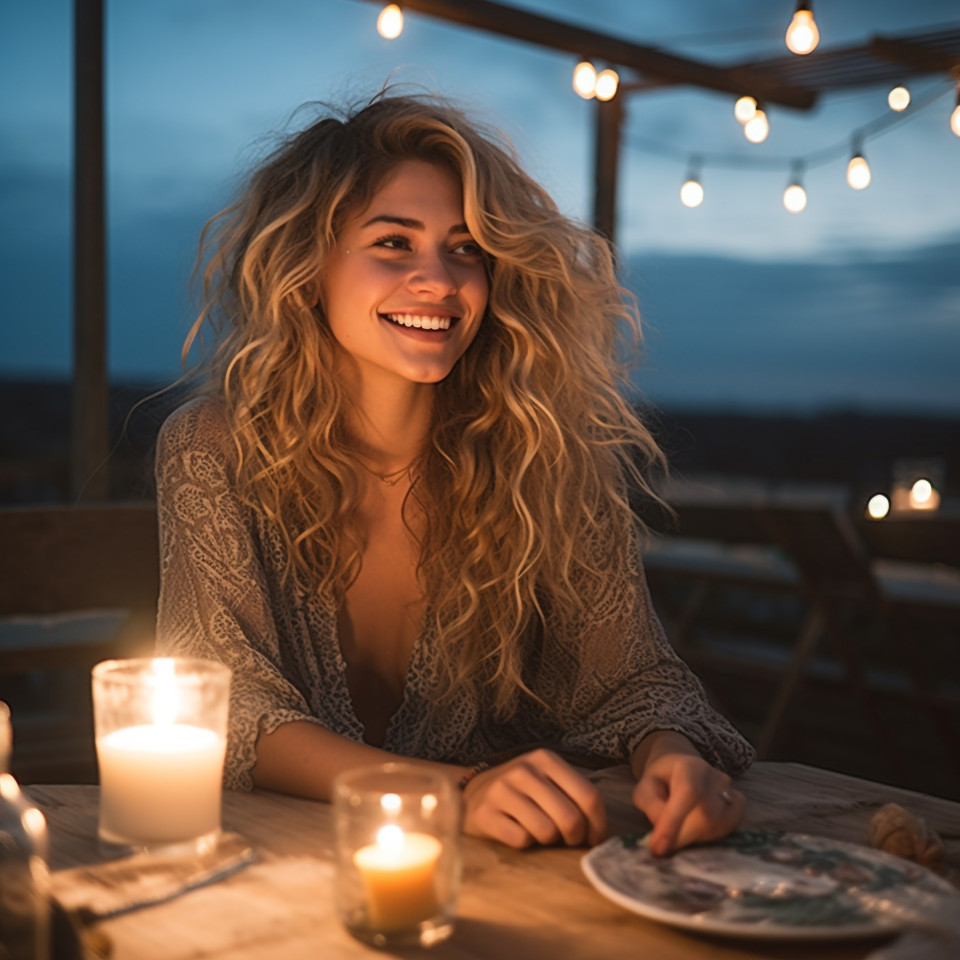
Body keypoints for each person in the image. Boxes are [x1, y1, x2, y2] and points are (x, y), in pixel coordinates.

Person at [155, 92, 755, 855]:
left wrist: (672, 754)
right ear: (309, 269)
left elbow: (634, 681)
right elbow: (225, 710)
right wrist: (456, 790)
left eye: (466, 247)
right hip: (264, 874)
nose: (439, 279)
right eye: (394, 244)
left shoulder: (547, 461)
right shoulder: (215, 449)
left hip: (508, 872)